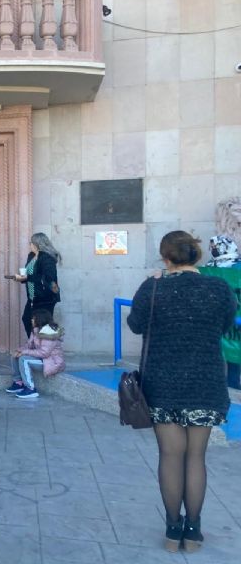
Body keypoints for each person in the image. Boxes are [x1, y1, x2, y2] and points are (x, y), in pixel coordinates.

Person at [127, 231, 236, 553]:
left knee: (171, 456)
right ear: (196, 256)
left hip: (162, 383)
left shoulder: (154, 286)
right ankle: (194, 531)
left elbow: (135, 324)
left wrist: (154, 283)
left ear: (166, 257)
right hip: (205, 382)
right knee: (196, 457)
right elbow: (224, 324)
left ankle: (173, 531)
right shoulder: (219, 288)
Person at [6, 309, 65, 399]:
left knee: (23, 359)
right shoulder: (36, 331)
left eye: (34, 318)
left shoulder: (49, 333)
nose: (32, 320)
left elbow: (44, 353)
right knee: (16, 356)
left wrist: (24, 352)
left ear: (40, 319)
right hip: (42, 359)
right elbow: (29, 346)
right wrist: (19, 351)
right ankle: (18, 382)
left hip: (51, 362)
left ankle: (30, 389)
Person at [11, 232, 61, 337]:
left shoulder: (47, 258)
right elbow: (30, 273)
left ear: (37, 244)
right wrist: (21, 278)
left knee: (43, 325)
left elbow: (48, 278)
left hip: (45, 297)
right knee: (27, 319)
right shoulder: (32, 256)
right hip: (33, 297)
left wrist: (27, 278)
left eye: (31, 242)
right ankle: (35, 345)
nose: (30, 244)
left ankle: (43, 349)